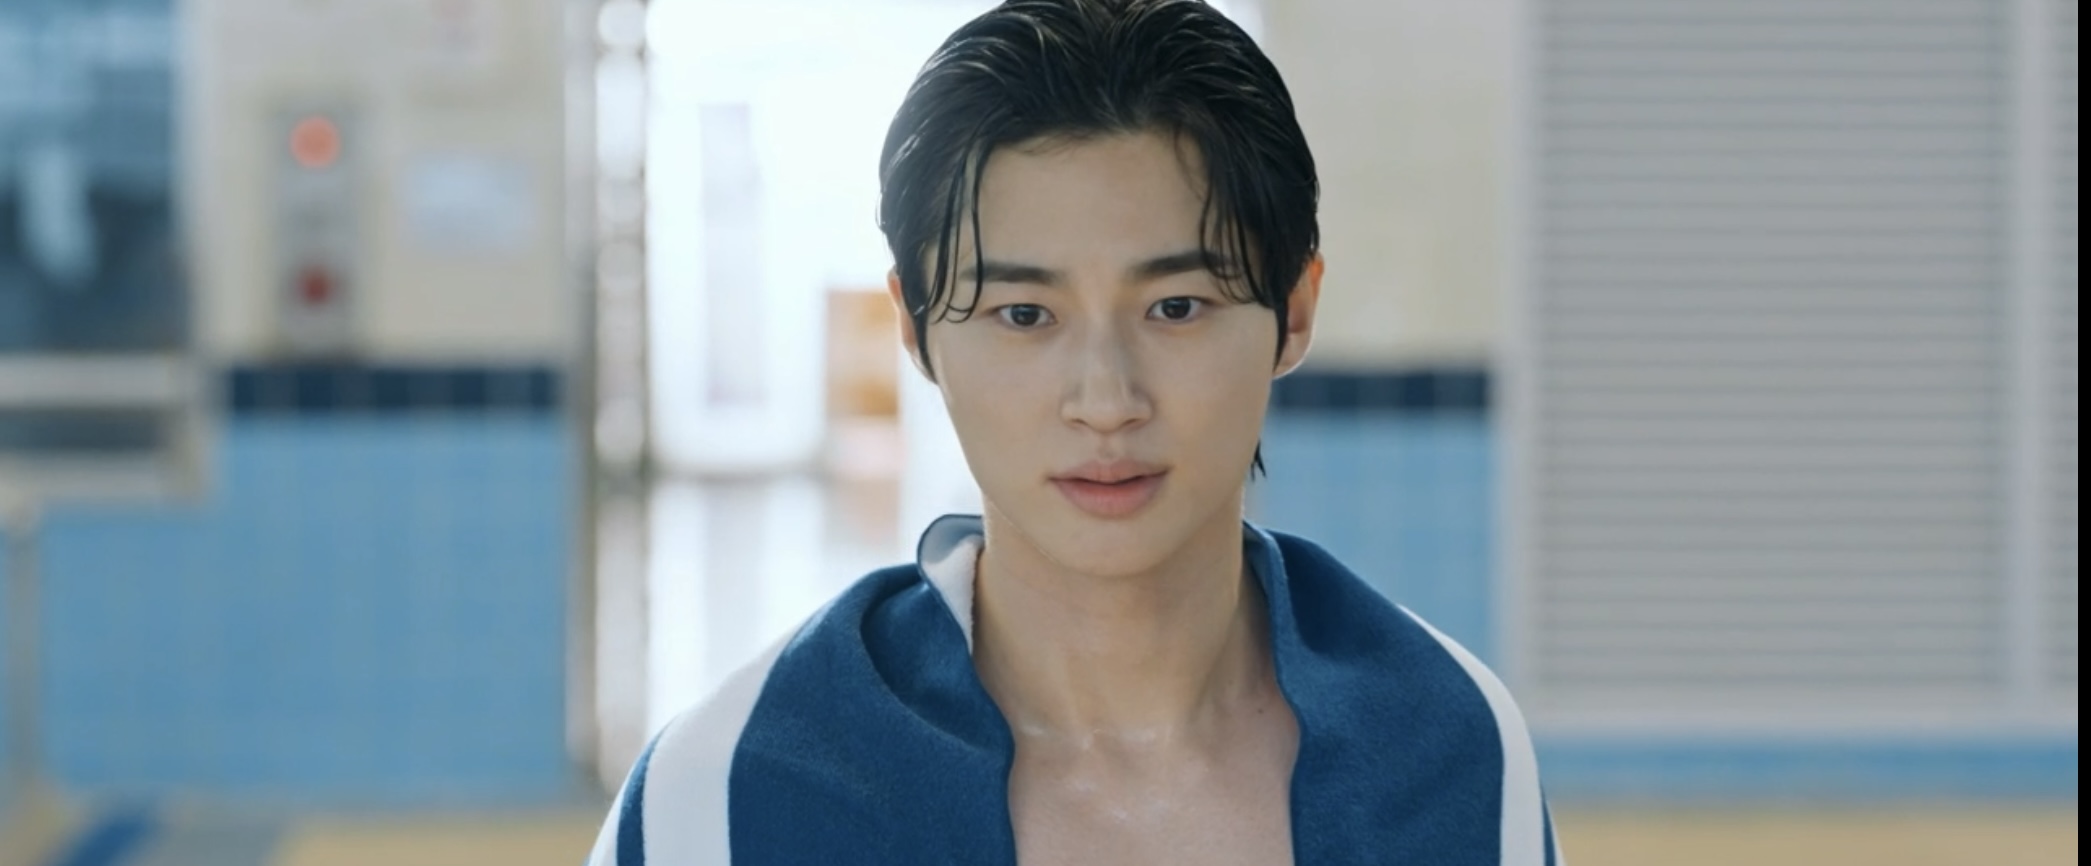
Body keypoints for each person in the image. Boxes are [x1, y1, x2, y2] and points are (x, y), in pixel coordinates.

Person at [586, 1, 1559, 863]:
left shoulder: (1449, 748)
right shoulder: (727, 795)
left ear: (1294, 312)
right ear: (916, 329)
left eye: (1176, 307)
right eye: (1023, 314)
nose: (1105, 399)